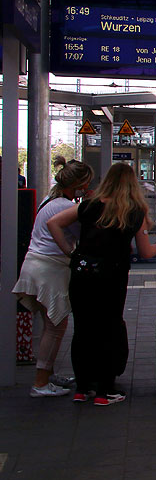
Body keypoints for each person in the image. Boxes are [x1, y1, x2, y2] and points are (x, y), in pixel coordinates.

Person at [48, 162, 156, 406]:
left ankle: (82, 389)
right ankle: (105, 392)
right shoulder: (135, 212)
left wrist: (71, 252)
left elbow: (53, 223)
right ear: (131, 183)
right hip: (112, 277)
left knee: (82, 329)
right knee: (109, 328)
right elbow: (146, 252)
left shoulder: (88, 206)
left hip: (82, 274)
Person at [12, 157, 94, 397]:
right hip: (50, 270)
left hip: (35, 267)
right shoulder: (64, 207)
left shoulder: (51, 200)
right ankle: (40, 383)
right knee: (55, 327)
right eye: (86, 183)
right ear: (78, 184)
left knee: (51, 326)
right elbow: (83, 233)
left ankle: (46, 375)